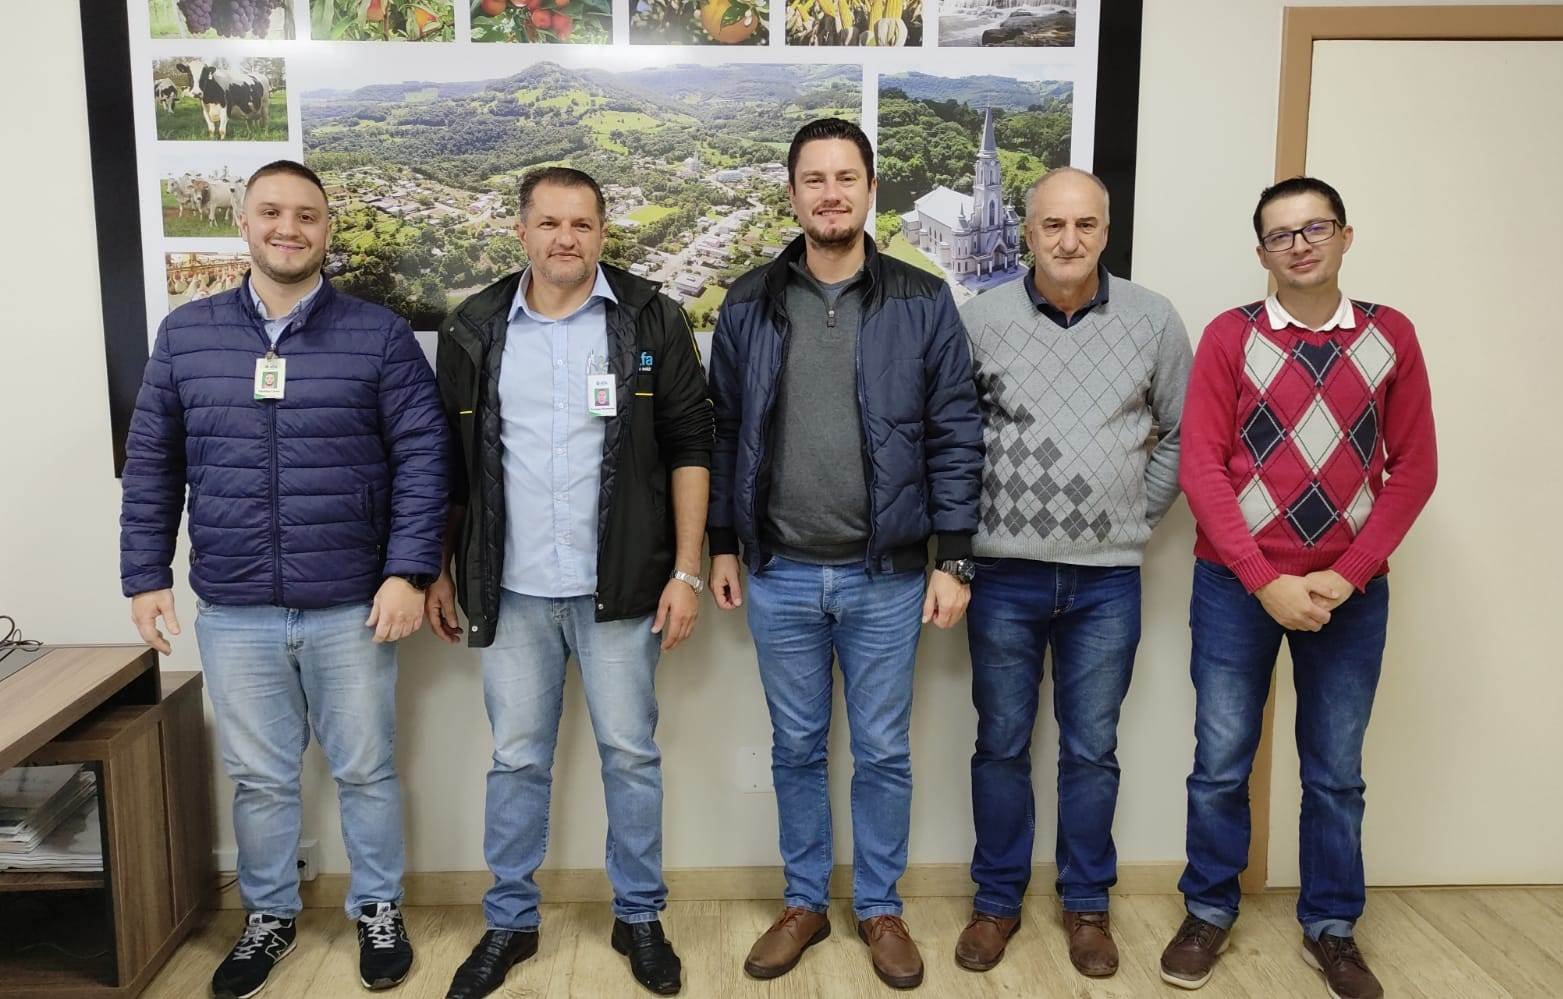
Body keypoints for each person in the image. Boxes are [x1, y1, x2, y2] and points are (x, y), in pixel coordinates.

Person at [120, 159, 447, 999]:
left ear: (326, 229)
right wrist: (145, 574)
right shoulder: (186, 336)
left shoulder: (378, 335)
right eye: (271, 211)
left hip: (352, 603)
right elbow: (152, 462)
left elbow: (424, 457)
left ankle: (378, 908)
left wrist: (409, 571)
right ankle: (268, 916)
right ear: (244, 222)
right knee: (260, 778)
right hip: (235, 606)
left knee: (366, 769)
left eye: (306, 215)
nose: (288, 228)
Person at [706, 117, 984, 991]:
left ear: (870, 189)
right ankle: (802, 902)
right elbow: (722, 430)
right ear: (792, 193)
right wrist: (720, 541)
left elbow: (955, 431)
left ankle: (879, 907)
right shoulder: (748, 301)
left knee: (883, 751)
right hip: (779, 570)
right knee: (794, 747)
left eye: (845, 178)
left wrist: (954, 556)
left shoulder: (920, 299)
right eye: (813, 179)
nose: (830, 194)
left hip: (887, 574)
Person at [427, 166, 713, 999]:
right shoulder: (475, 326)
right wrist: (436, 569)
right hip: (510, 589)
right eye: (548, 223)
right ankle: (510, 922)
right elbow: (448, 464)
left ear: (602, 232)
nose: (565, 238)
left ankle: (639, 915)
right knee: (516, 759)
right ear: (520, 231)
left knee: (631, 755)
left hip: (620, 585)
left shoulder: (650, 316)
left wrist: (687, 570)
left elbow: (691, 445)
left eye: (581, 224)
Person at [1159, 177, 1437, 999]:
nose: (1299, 245)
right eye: (1281, 235)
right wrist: (1263, 579)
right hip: (1233, 586)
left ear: (1345, 236)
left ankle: (1330, 925)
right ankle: (1207, 908)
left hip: (1349, 596)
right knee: (1219, 761)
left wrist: (1344, 576)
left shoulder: (1389, 335)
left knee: (1335, 772)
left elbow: (1413, 468)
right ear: (1261, 254)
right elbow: (1200, 467)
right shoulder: (1230, 336)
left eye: (1315, 228)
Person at [955, 167, 1192, 977]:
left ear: (1105, 231)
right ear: (1027, 233)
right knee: (999, 745)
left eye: (1085, 224)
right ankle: (996, 902)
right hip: (1002, 576)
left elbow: (1182, 432)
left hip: (1105, 581)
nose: (1068, 240)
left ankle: (1086, 905)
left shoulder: (1153, 319)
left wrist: (1134, 516)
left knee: (1092, 750)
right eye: (1052, 225)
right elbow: (953, 434)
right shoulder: (980, 320)